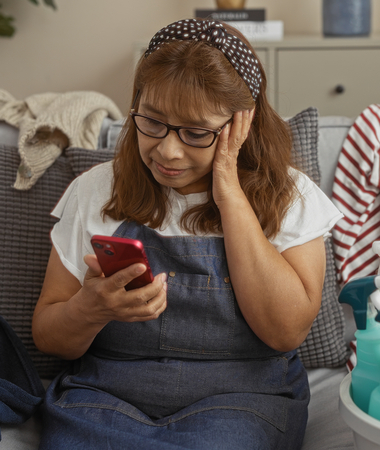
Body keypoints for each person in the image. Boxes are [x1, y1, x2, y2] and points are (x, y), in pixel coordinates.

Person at [31, 18, 342, 449]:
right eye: (152, 122)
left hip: (242, 400)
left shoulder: (290, 196)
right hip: (106, 399)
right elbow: (48, 335)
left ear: (242, 125)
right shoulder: (95, 190)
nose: (167, 150)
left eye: (196, 133)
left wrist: (229, 192)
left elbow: (284, 332)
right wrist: (90, 308)